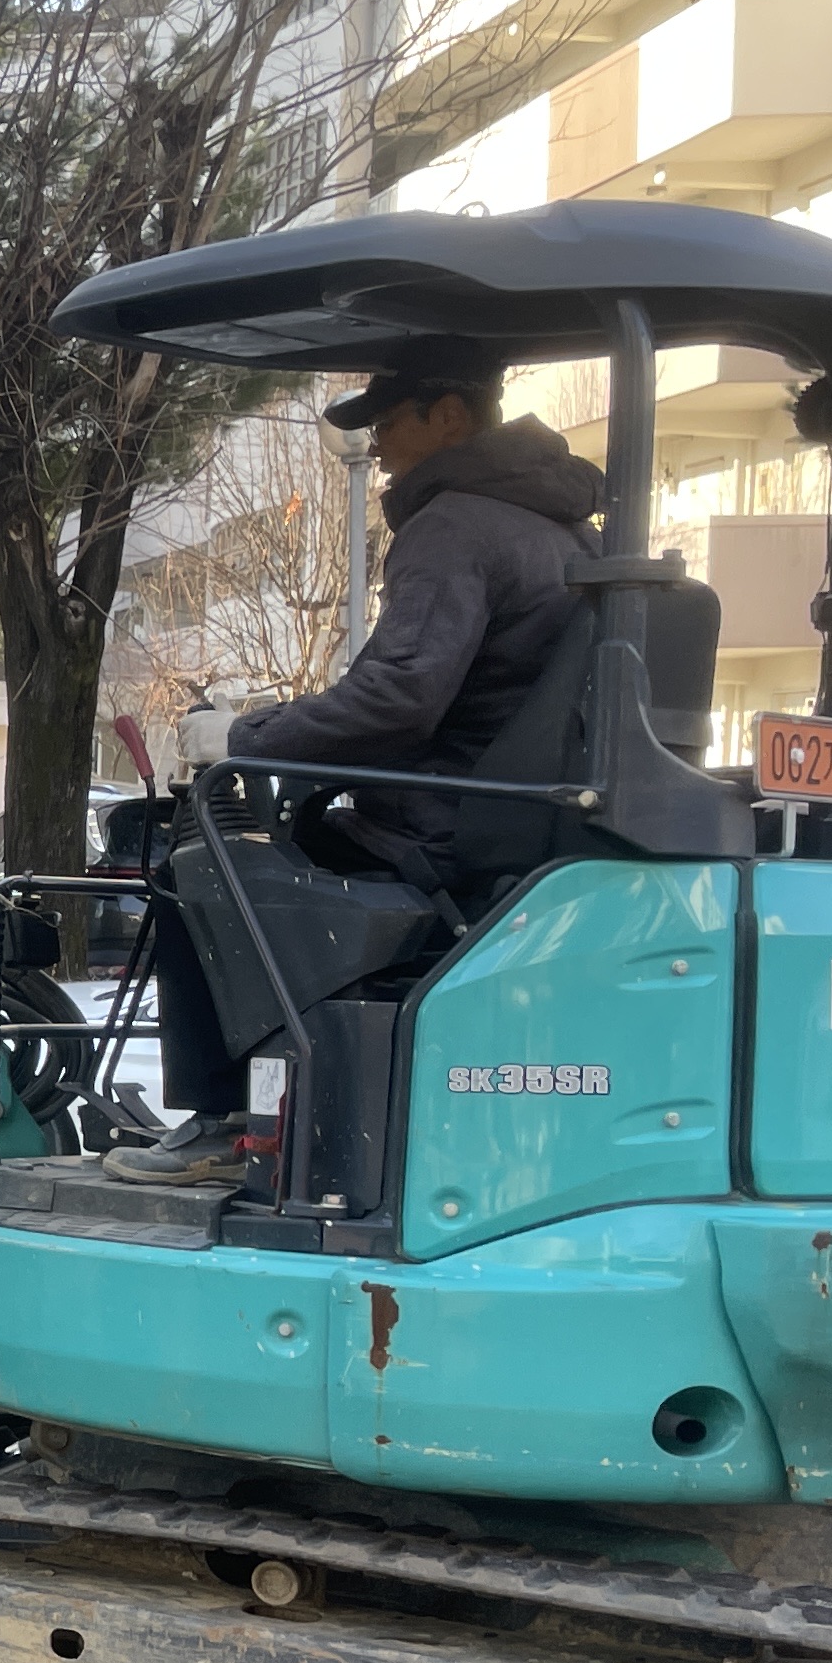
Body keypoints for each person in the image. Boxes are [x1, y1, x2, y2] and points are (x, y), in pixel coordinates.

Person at [112, 341, 600, 1185]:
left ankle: (227, 1120)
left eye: (390, 419)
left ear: (451, 415)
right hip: (518, 820)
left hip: (439, 828)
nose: (377, 443)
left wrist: (243, 738)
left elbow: (402, 696)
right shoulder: (569, 534)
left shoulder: (454, 525)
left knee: (201, 869)